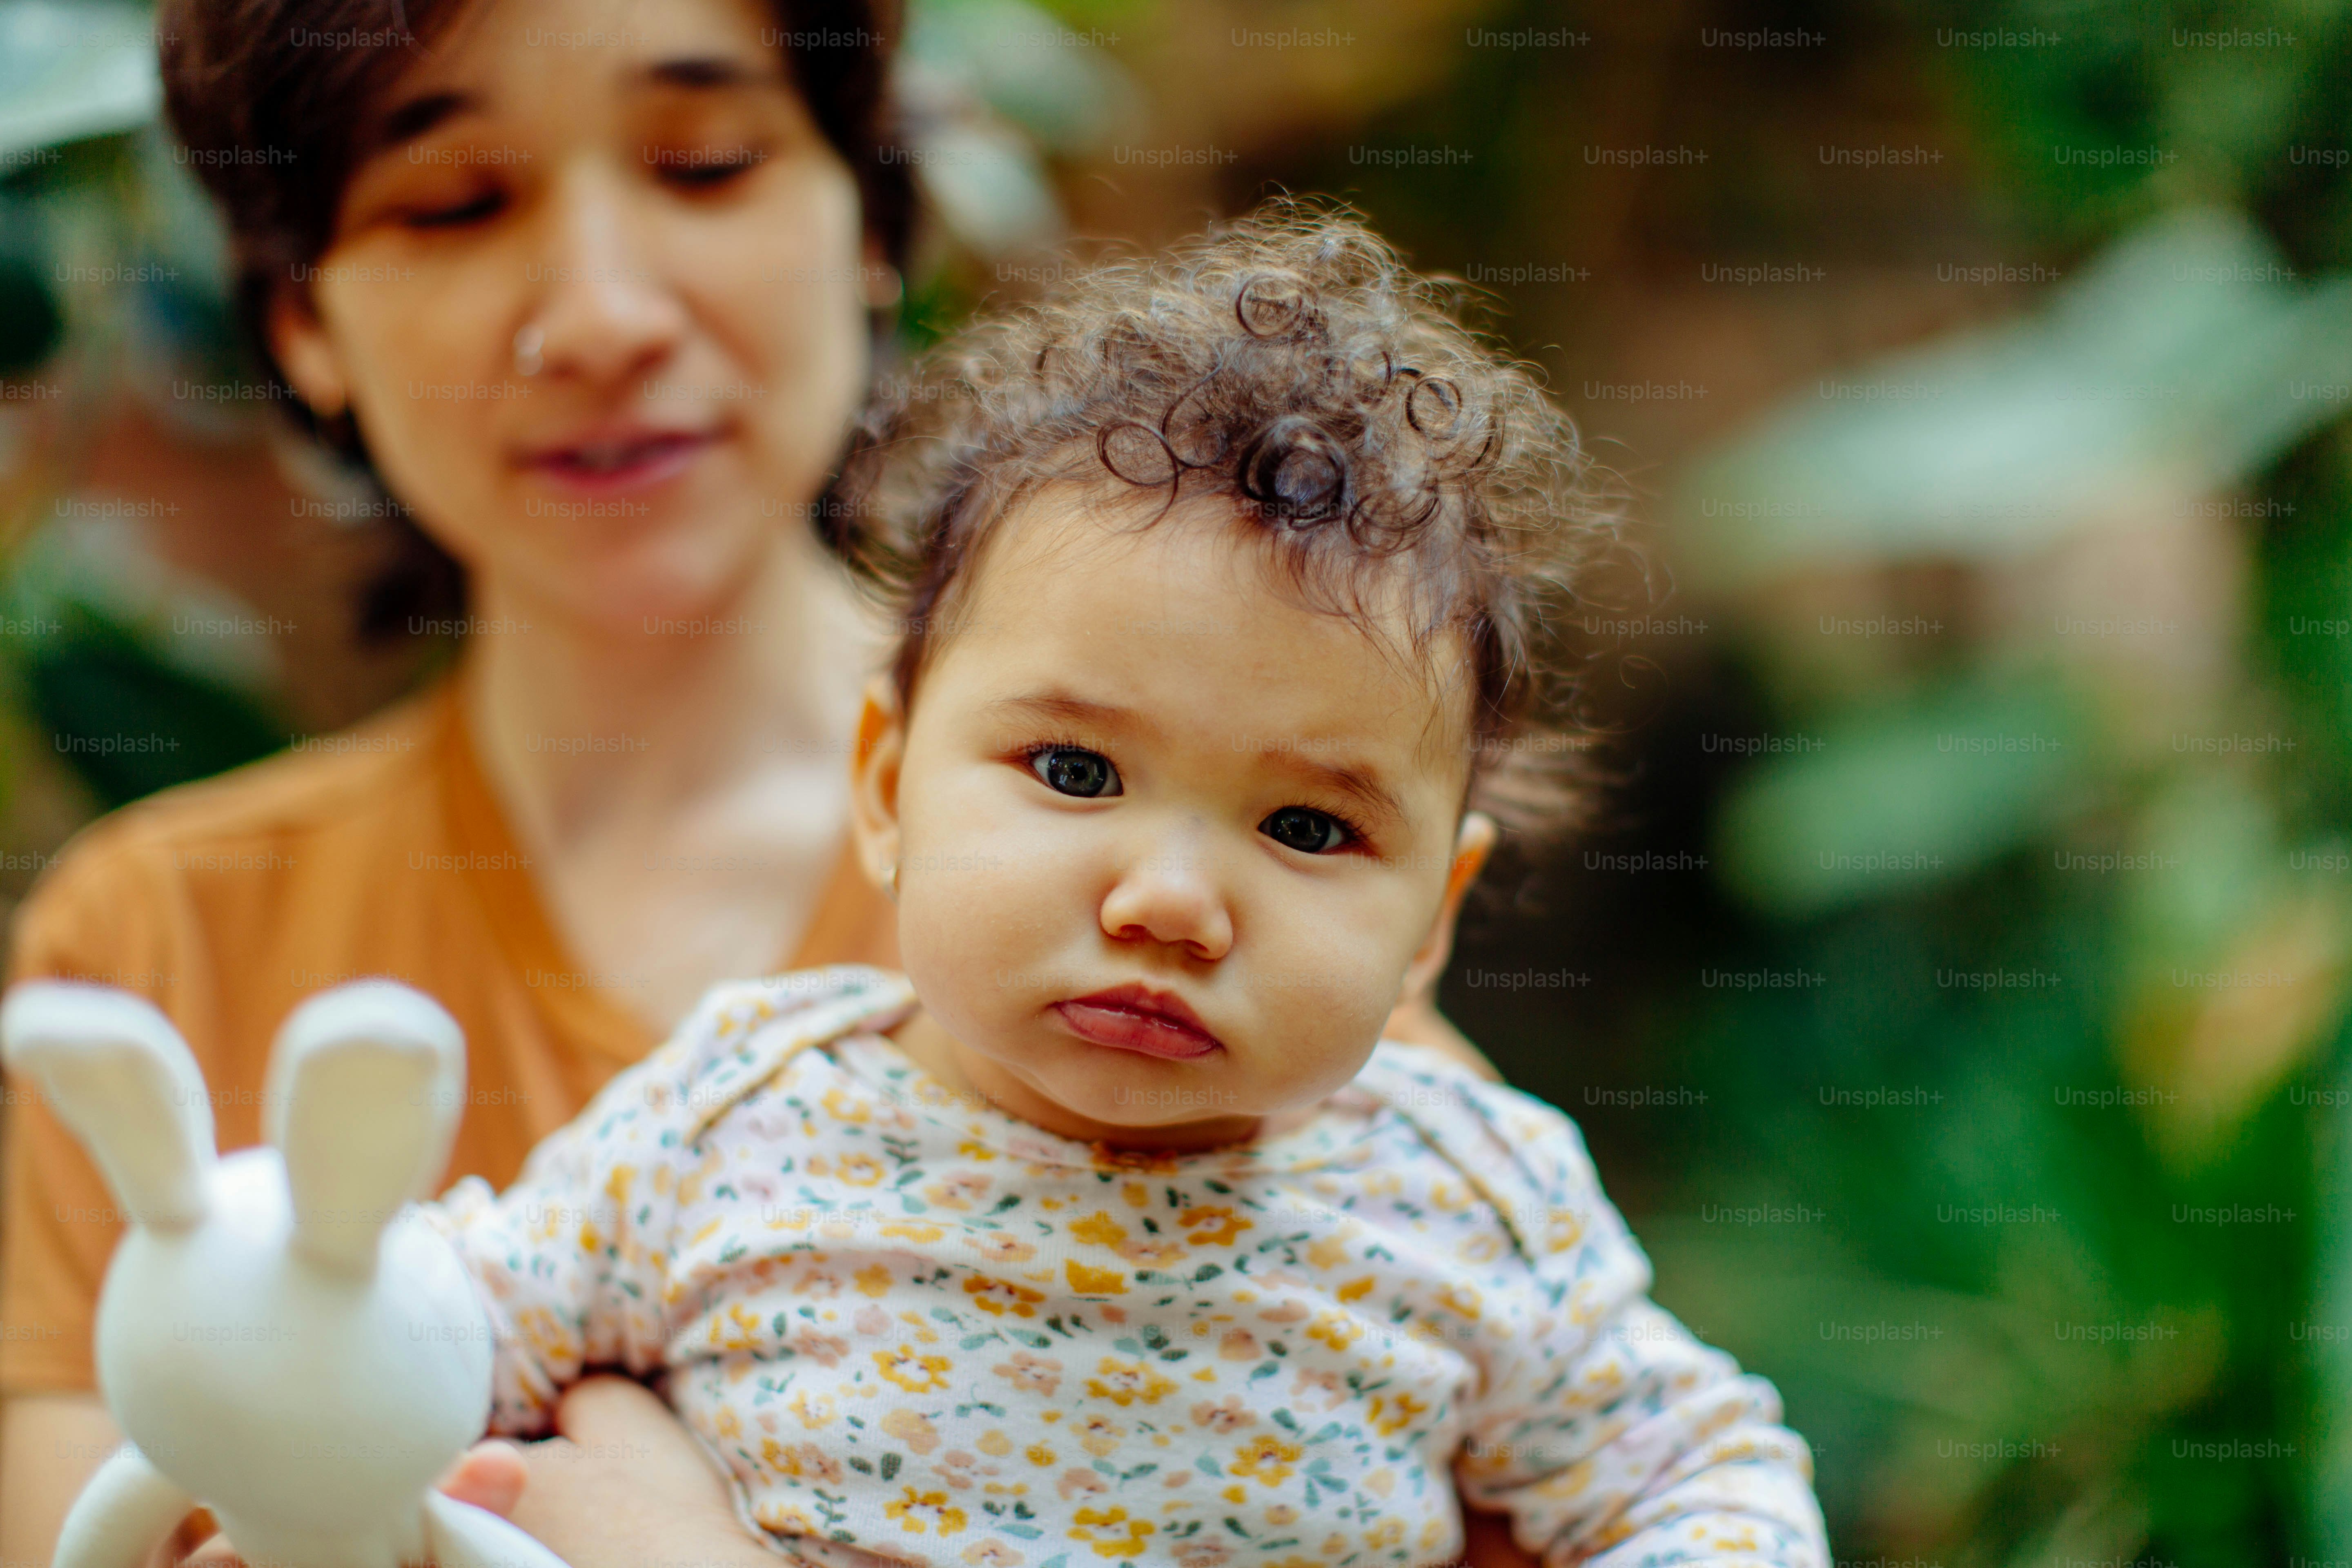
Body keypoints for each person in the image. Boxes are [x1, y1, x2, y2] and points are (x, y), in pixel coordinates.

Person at [0, 4, 1516, 1566]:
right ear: (302, 319)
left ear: (870, 216)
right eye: (455, 201)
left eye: (707, 164)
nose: (599, 315)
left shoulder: (1244, 945)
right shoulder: (152, 956)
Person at [411, 205, 1829, 1567]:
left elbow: (1699, 1481)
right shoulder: (733, 1123)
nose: (1169, 903)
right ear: (891, 786)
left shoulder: (1463, 1200)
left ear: (1435, 919)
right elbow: (437, 1337)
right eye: (1078, 774)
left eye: (1307, 828)